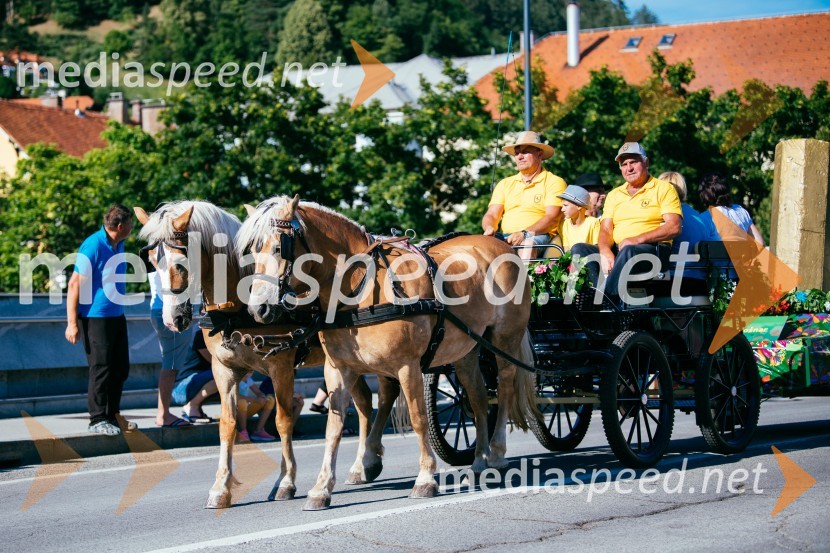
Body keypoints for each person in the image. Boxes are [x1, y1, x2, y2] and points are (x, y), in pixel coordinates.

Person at [571, 142, 682, 298]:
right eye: (624, 164)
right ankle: (597, 296)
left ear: (646, 163)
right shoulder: (615, 194)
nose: (629, 168)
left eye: (633, 162)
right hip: (621, 250)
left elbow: (674, 227)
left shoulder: (663, 188)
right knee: (579, 249)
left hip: (652, 252)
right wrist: (604, 250)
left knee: (629, 250)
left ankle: (606, 299)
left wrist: (636, 240)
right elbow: (606, 229)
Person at [65, 204, 135, 436]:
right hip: (95, 317)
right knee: (101, 368)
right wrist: (72, 323)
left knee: (120, 368)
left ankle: (113, 416)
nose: (133, 227)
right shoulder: (93, 245)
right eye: (131, 224)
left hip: (117, 315)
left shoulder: (119, 243)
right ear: (121, 226)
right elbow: (74, 283)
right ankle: (97, 419)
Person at [481, 131, 567, 252]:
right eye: (517, 153)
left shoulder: (554, 182)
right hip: (506, 238)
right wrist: (489, 228)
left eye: (525, 152)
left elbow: (552, 218)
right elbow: (492, 214)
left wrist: (525, 234)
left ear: (540, 154)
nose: (520, 157)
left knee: (527, 246)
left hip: (538, 236)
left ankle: (524, 271)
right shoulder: (505, 184)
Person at [148, 269, 195, 428]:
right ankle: (163, 414)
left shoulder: (154, 252)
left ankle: (164, 413)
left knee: (171, 364)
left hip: (161, 309)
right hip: (173, 311)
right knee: (171, 365)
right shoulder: (170, 255)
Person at [698, 171, 765, 246]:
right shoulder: (741, 211)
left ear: (704, 196)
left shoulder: (705, 218)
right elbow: (760, 243)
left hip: (717, 256)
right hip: (743, 256)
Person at [172, 330, 219, 424]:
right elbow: (216, 362)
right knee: (222, 375)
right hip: (182, 389)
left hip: (196, 384)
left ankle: (196, 407)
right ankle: (192, 406)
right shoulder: (201, 334)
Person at [236, 372, 277, 443]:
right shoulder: (235, 379)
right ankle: (243, 431)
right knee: (241, 402)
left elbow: (258, 392)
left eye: (251, 370)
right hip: (234, 412)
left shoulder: (248, 380)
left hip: (245, 410)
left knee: (270, 400)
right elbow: (235, 396)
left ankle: (258, 431)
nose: (250, 371)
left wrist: (262, 396)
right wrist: (255, 400)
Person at [557, 185, 600, 251]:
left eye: (565, 205)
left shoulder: (593, 222)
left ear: (579, 206)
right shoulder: (564, 224)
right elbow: (566, 250)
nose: (562, 209)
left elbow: (596, 249)